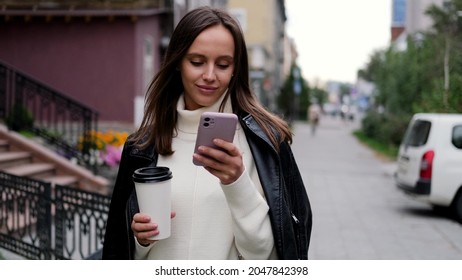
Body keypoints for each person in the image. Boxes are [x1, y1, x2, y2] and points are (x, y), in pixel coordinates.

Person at [102, 6, 312, 260]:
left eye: (223, 64)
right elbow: (117, 249)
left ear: (235, 69)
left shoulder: (265, 142)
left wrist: (237, 182)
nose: (210, 76)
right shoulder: (143, 145)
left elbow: (266, 254)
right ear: (178, 62)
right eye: (197, 62)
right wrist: (140, 239)